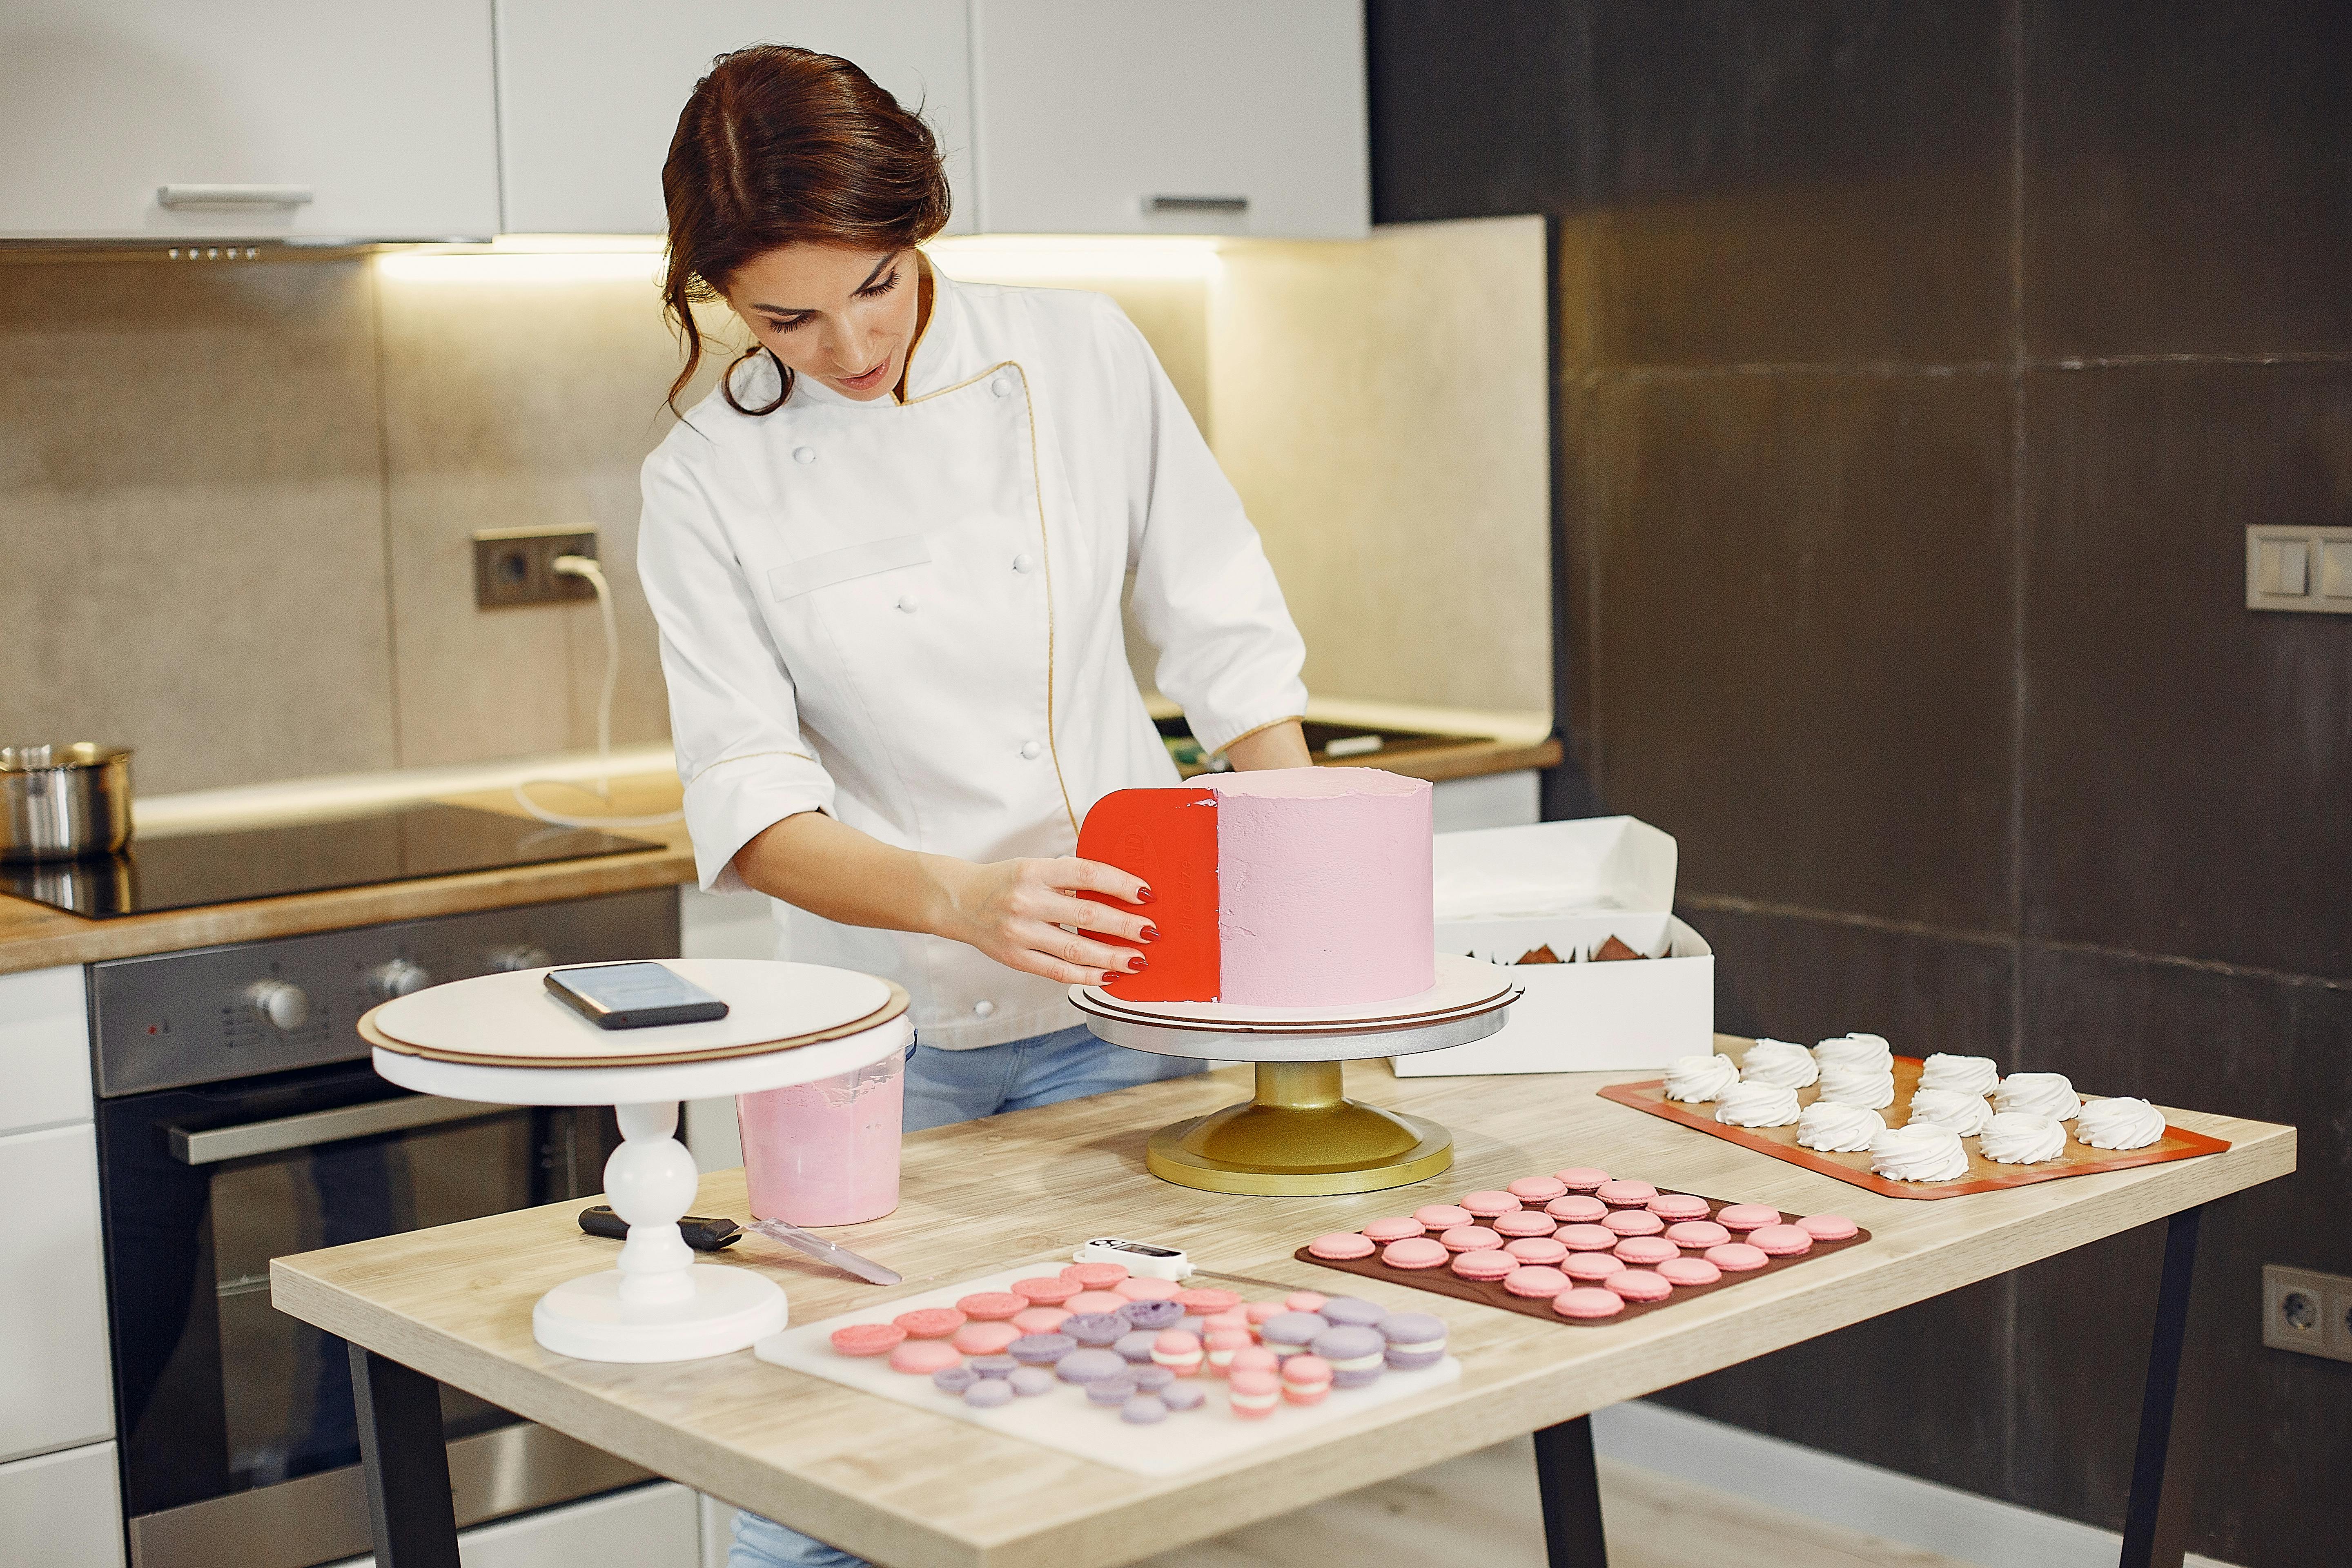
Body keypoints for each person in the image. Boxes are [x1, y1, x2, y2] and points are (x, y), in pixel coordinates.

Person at [635, 45, 1312, 1568]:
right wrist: (961, 899)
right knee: (818, 1460)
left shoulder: (1078, 355)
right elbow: (748, 810)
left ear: (920, 226)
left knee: (1110, 1427)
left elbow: (1228, 642)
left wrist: (1317, 905)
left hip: (1133, 1002)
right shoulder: (703, 479)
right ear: (721, 298)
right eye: (783, 316)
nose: (849, 342)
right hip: (875, 1041)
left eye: (876, 284)